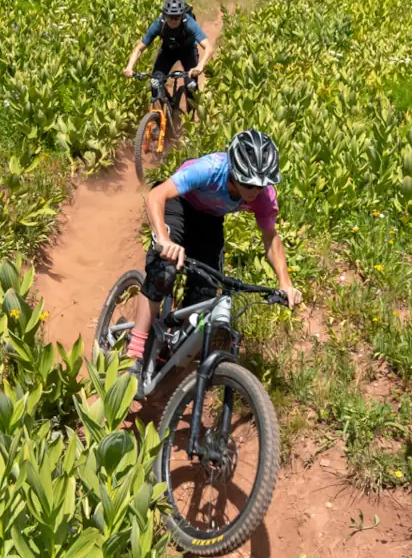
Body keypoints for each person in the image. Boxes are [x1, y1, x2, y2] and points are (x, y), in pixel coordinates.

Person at [125, 129, 300, 395]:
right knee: (163, 272)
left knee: (206, 290)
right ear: (235, 173)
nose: (256, 191)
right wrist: (164, 239)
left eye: (261, 185)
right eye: (249, 185)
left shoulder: (264, 194)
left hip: (210, 220)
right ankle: (135, 353)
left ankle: (167, 344)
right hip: (177, 205)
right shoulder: (209, 169)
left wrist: (285, 283)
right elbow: (156, 196)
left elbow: (271, 238)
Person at [123, 0, 209, 97]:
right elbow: (139, 48)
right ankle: (163, 101)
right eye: (170, 17)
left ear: (182, 16)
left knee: (191, 86)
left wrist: (199, 67)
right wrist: (129, 67)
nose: (173, 21)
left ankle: (192, 106)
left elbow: (209, 48)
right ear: (165, 15)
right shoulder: (159, 23)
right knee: (155, 83)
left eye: (176, 17)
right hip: (168, 52)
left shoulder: (189, 23)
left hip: (188, 51)